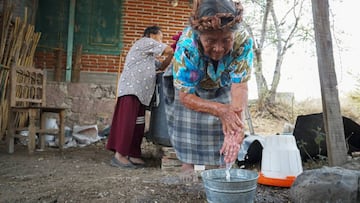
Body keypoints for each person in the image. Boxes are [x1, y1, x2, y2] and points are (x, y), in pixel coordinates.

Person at [163, 0, 253, 174]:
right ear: (199, 35)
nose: (219, 49)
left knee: (226, 127)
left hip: (223, 81)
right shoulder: (188, 46)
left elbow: (240, 86)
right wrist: (220, 110)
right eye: (211, 41)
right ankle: (187, 171)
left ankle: (221, 171)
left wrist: (236, 124)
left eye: (226, 40)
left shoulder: (243, 41)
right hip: (191, 87)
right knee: (187, 129)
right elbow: (186, 97)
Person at [107, 26, 174, 168]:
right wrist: (178, 47)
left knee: (138, 124)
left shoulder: (148, 57)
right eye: (160, 38)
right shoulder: (144, 42)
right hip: (131, 91)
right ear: (152, 35)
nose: (160, 41)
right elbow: (168, 49)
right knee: (128, 122)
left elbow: (162, 66)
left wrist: (171, 56)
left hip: (141, 95)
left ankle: (133, 154)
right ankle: (119, 155)